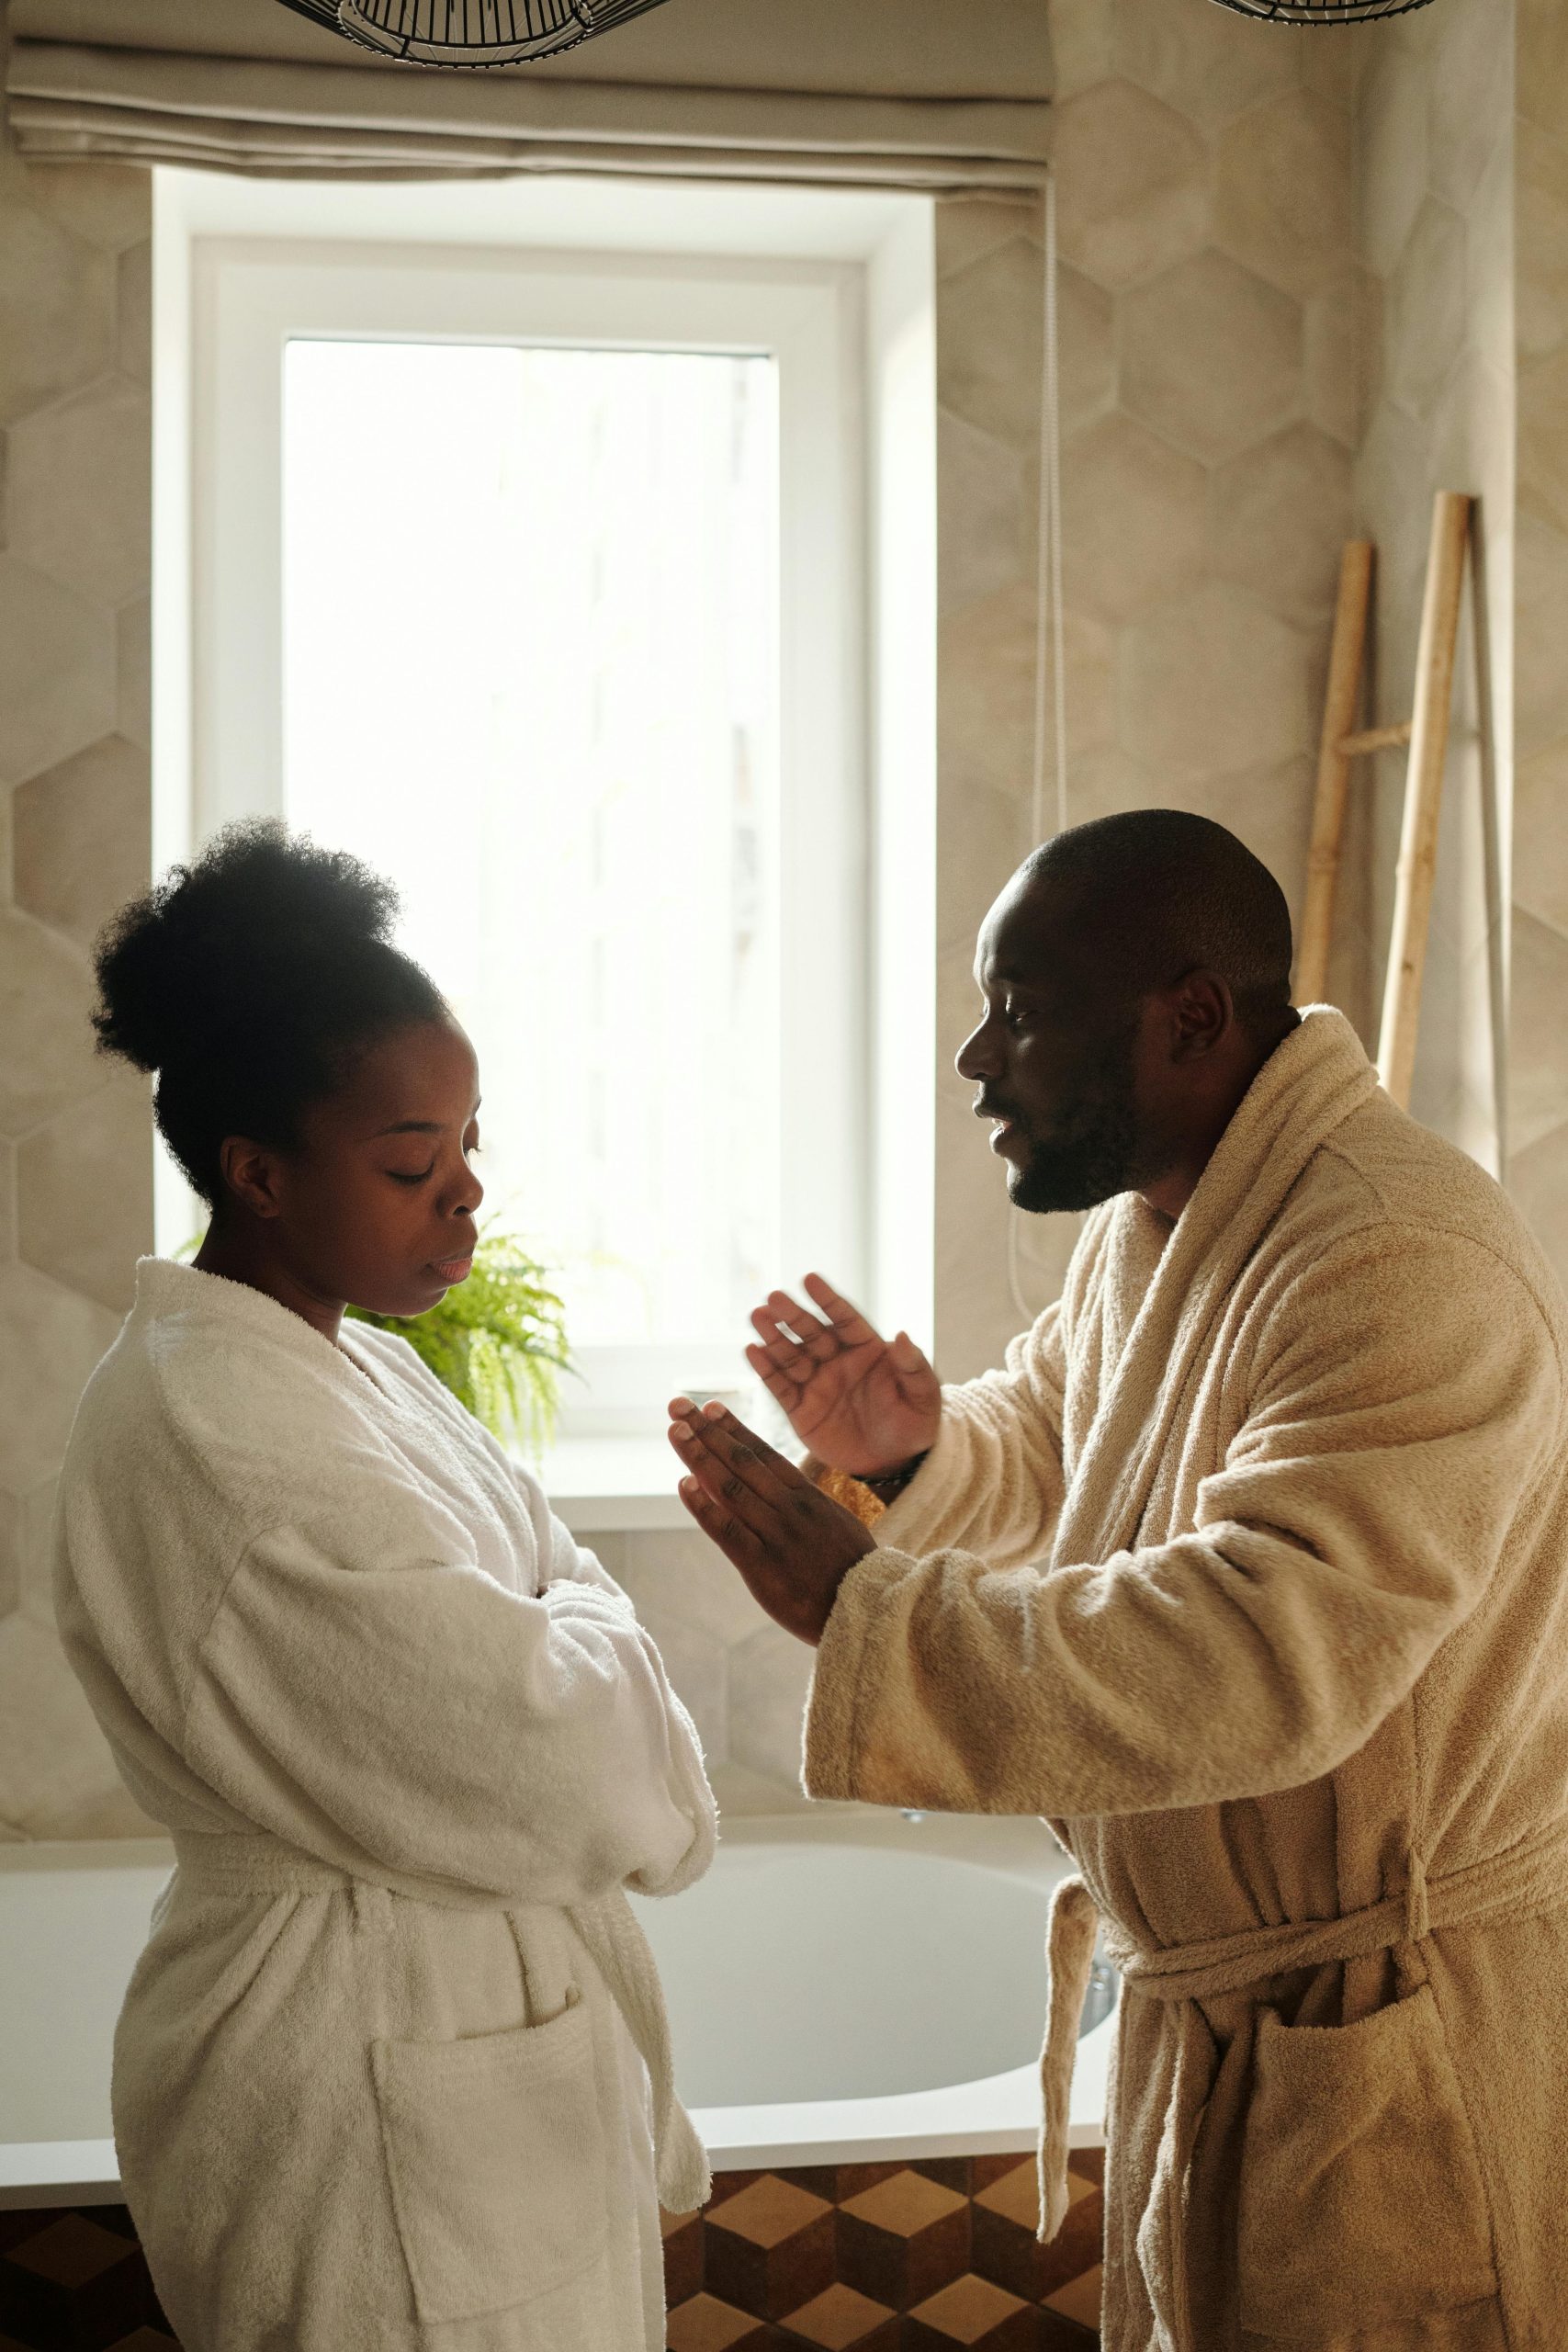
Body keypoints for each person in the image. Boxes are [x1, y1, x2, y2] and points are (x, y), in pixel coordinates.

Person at [666, 808, 1568, 2352]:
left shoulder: (1399, 1256)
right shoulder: (1168, 1219)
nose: (975, 1058)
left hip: (1383, 2046)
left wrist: (866, 1607)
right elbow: (1077, 1448)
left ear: (1192, 1017)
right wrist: (910, 1456)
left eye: (1017, 1010)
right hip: (1240, 2026)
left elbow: (1261, 1647)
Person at [55, 823, 715, 2352]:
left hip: (442, 2030)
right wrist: (582, 1632)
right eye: (414, 1162)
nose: (467, 1196)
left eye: (471, 1145)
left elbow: (558, 1622)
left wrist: (572, 1626)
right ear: (259, 1172)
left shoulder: (347, 1362)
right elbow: (543, 1743)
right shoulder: (219, 1427)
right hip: (350, 2081)